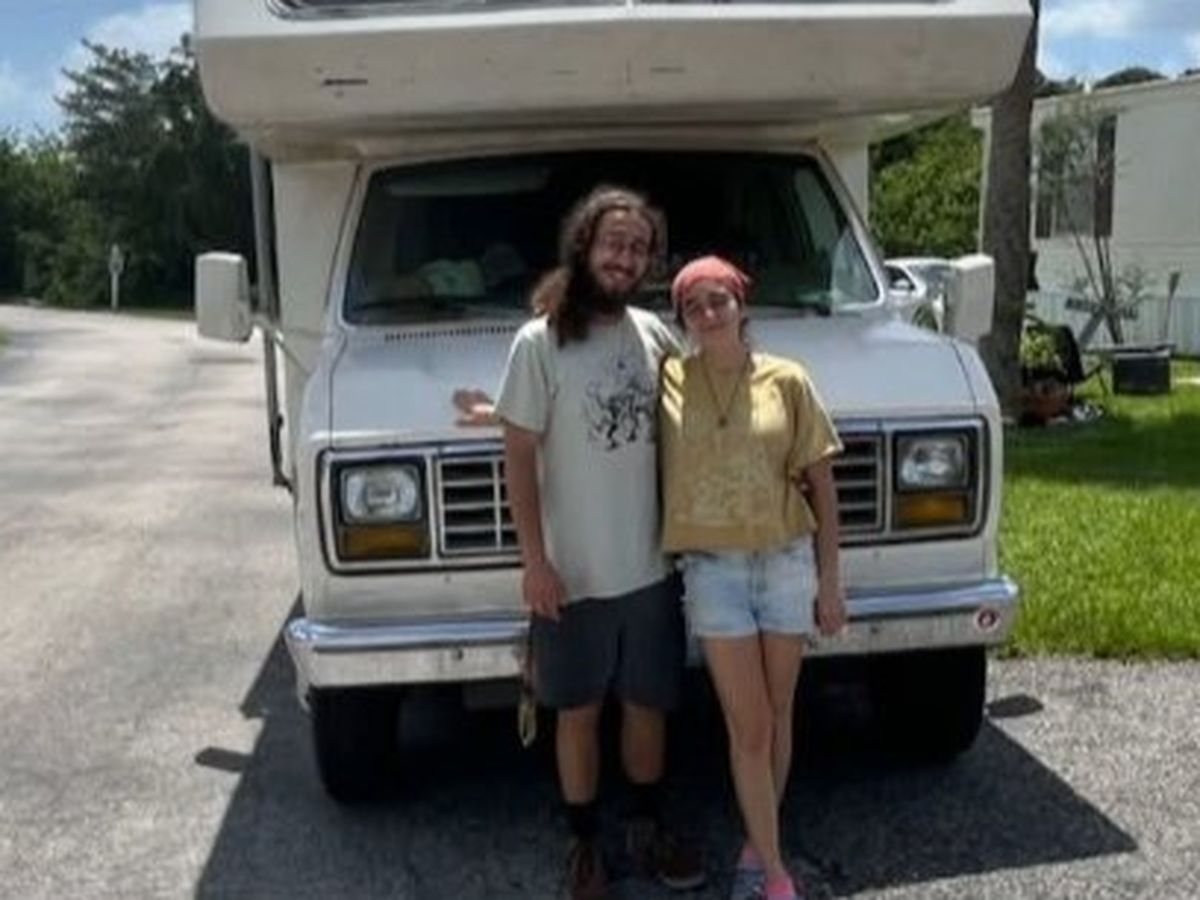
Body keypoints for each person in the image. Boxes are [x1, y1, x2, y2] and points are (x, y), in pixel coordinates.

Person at [493, 186, 705, 899]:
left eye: (639, 248)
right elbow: (517, 454)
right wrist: (535, 562)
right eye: (614, 243)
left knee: (648, 705)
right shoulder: (540, 340)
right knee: (577, 712)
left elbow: (705, 411)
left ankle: (646, 828)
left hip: (651, 568)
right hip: (573, 573)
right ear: (584, 246)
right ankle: (584, 845)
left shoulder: (655, 334)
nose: (625, 258)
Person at [659, 256, 846, 900]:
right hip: (714, 571)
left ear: (742, 304)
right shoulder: (669, 380)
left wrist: (831, 580)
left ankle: (754, 848)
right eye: (693, 306)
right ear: (682, 320)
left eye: (718, 300)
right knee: (751, 725)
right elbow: (589, 409)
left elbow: (822, 484)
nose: (708, 314)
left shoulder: (787, 379)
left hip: (786, 560)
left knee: (779, 712)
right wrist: (498, 415)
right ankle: (775, 874)